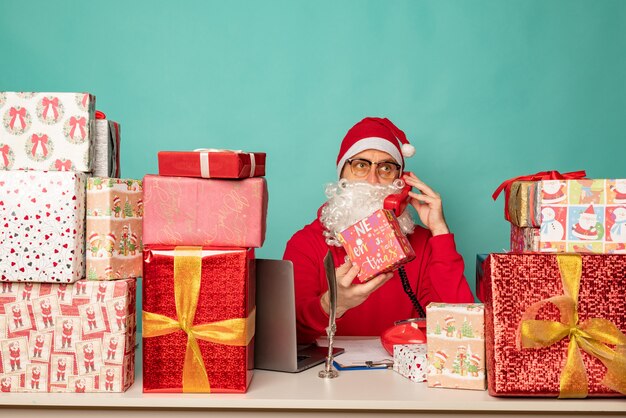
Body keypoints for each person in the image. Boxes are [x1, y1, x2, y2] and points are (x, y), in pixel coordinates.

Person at [284, 117, 474, 344]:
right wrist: (334, 303)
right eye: (361, 165)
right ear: (342, 174)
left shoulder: (423, 243)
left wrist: (440, 232)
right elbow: (286, 337)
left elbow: (463, 330)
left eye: (385, 168)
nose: (373, 180)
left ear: (401, 182)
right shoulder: (305, 243)